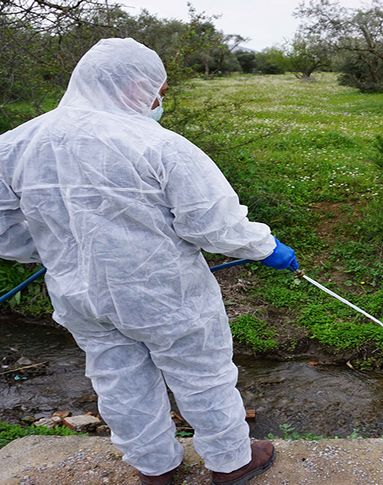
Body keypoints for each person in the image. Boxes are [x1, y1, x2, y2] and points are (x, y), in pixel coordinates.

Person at [0, 38, 297, 485]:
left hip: (78, 294)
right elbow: (212, 223)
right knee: (202, 374)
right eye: (158, 89)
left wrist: (59, 248)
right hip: (162, 294)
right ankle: (232, 462)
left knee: (118, 380)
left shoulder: (15, 144)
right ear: (137, 85)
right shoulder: (159, 144)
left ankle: (157, 470)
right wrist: (265, 247)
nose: (159, 100)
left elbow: (6, 230)